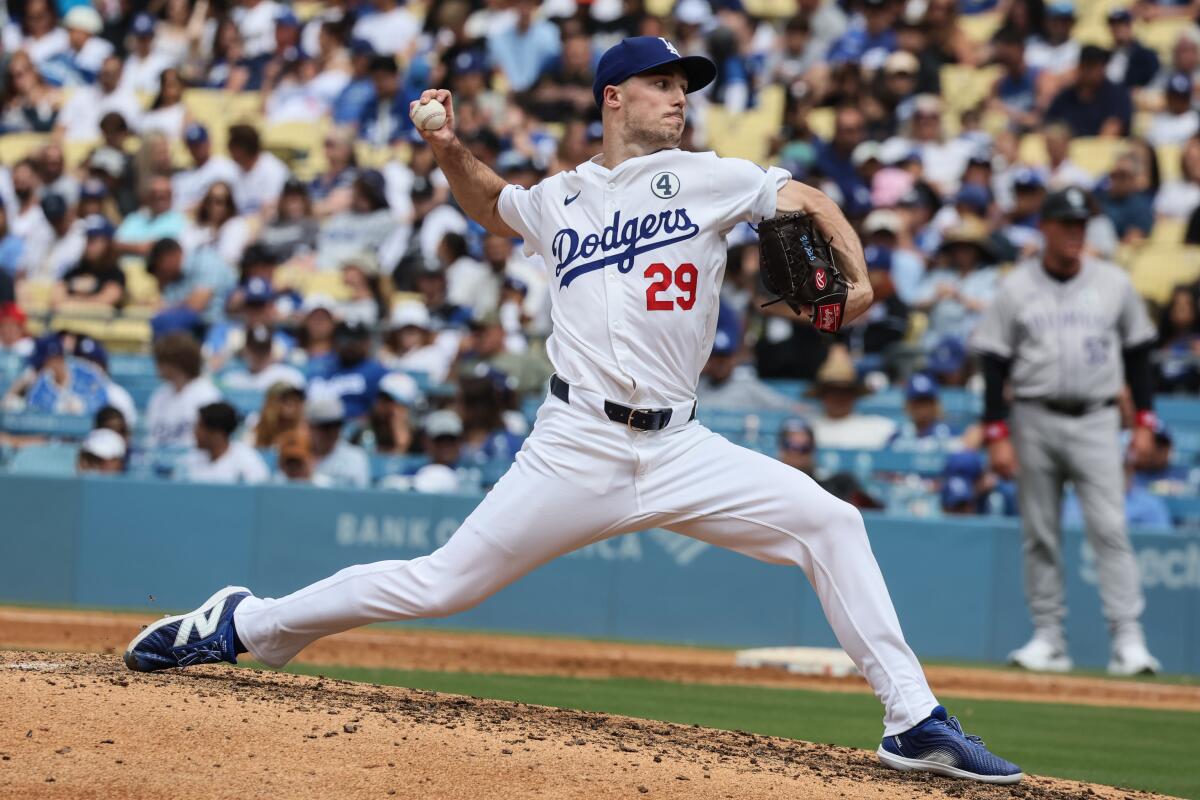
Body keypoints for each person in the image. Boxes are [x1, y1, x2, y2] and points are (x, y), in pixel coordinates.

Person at [123, 36, 1020, 785]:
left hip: (682, 445)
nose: (680, 99)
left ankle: (913, 719)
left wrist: (856, 277)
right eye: (664, 85)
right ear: (613, 97)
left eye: (686, 87)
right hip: (577, 444)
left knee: (829, 522)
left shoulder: (709, 177)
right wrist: (445, 145)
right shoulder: (560, 199)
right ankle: (240, 623)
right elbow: (488, 204)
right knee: (442, 585)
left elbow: (809, 200)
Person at [972, 187, 1162, 676]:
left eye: (1082, 223)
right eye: (1068, 223)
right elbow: (993, 361)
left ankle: (1128, 640)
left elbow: (1140, 355)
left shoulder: (1113, 282)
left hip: (1099, 417)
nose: (1077, 232)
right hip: (1033, 416)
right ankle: (1049, 637)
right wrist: (995, 432)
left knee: (1110, 529)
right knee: (1040, 532)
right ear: (1047, 228)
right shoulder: (1017, 287)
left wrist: (1144, 421)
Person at [807, 347, 897, 449]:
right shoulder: (807, 429)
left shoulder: (879, 428)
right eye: (832, 391)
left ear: (854, 395)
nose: (838, 397)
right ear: (821, 395)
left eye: (845, 392)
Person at [146, 332, 223, 448]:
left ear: (177, 363)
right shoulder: (159, 395)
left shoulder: (207, 395)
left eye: (162, 361)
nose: (157, 366)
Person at [182, 401, 271, 485]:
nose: (195, 433)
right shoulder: (190, 459)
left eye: (201, 427)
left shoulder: (247, 461)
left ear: (217, 433)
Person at [305, 390, 371, 488]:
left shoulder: (354, 458)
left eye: (336, 425)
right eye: (325, 426)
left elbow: (357, 498)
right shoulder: (297, 452)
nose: (332, 432)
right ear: (310, 427)